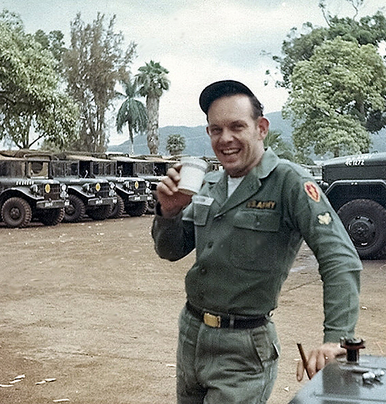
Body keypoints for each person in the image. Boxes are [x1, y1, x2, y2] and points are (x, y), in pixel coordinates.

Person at [152, 80, 362, 403]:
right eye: (215, 130)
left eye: (237, 126)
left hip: (243, 348)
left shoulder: (289, 183)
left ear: (261, 128)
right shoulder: (208, 184)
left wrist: (336, 339)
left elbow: (340, 258)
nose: (225, 139)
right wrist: (168, 213)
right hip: (192, 336)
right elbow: (169, 250)